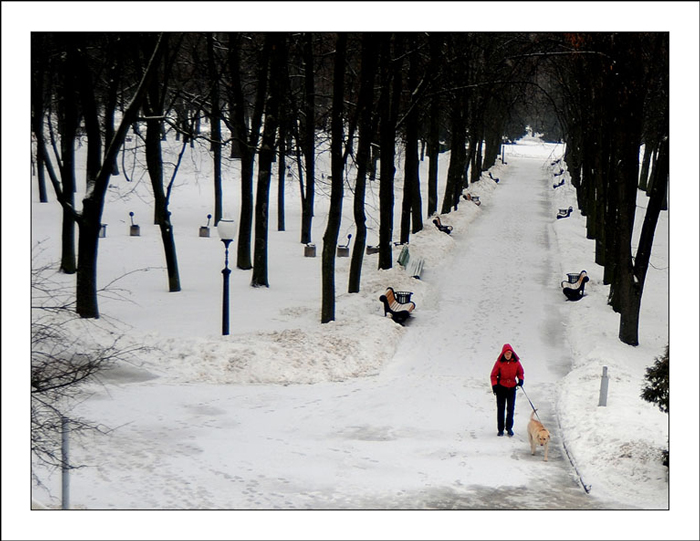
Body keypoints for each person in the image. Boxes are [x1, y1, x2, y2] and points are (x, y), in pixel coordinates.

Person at [490, 343, 524, 437]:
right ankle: (500, 429)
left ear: (512, 353)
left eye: (509, 353)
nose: (508, 355)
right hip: (501, 387)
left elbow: (520, 372)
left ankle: (509, 428)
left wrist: (520, 379)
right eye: (506, 354)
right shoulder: (499, 363)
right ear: (503, 354)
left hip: (511, 388)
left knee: (510, 408)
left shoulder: (516, 362)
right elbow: (493, 375)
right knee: (501, 409)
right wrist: (494, 385)